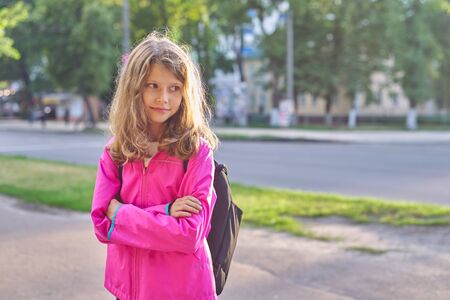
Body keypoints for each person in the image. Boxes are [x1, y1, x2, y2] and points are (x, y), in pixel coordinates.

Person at [90, 32, 219, 300]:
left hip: (183, 290)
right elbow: (102, 223)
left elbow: (188, 235)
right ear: (134, 88)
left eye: (174, 88)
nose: (164, 98)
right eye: (153, 85)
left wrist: (121, 214)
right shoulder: (116, 152)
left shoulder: (196, 152)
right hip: (129, 290)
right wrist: (168, 211)